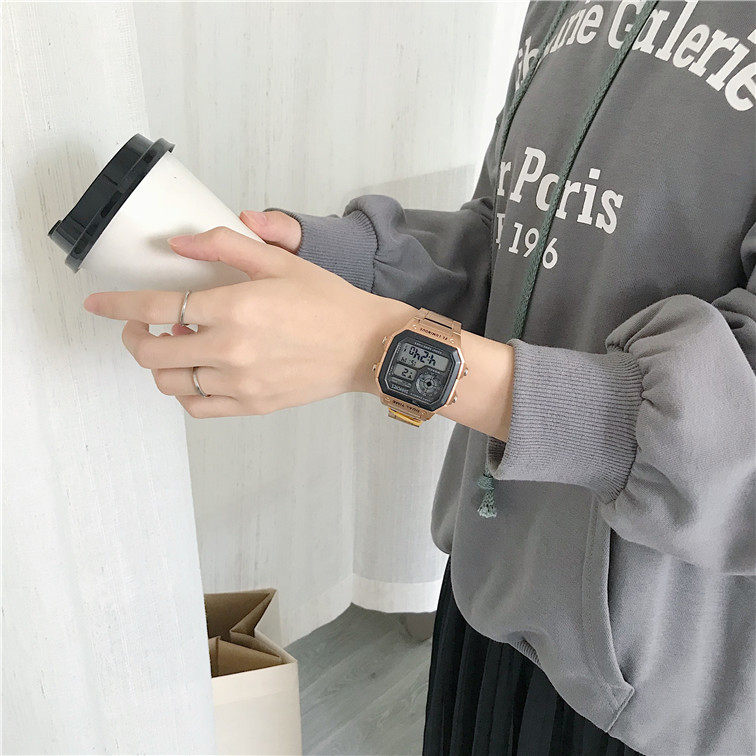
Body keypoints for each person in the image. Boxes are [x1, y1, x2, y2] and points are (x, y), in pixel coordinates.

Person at [83, 0, 755, 753]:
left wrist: (385, 352)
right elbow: (512, 241)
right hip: (488, 588)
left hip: (653, 685)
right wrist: (344, 260)